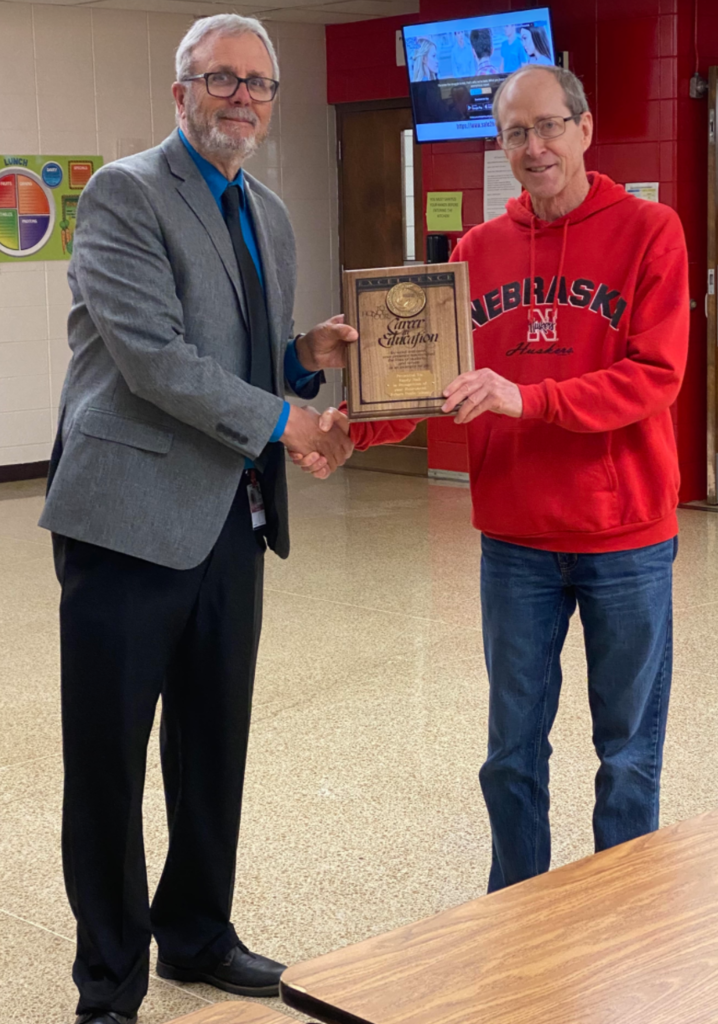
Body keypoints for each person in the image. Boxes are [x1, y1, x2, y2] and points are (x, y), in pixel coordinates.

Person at [295, 66, 689, 895]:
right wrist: (353, 431)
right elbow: (429, 380)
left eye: (548, 127)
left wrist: (528, 396)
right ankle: (515, 912)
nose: (534, 147)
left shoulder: (652, 231)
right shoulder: (475, 252)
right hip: (516, 542)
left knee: (627, 754)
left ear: (585, 128)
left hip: (626, 539)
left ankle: (625, 916)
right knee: (510, 754)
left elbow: (655, 376)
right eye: (515, 133)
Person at [40, 14, 356, 1024]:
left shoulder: (269, 211)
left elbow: (242, 355)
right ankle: (108, 982)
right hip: (126, 520)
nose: (242, 97)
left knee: (212, 743)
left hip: (233, 514)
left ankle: (198, 935)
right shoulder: (125, 192)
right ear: (181, 92)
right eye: (221, 78)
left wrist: (303, 356)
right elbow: (156, 360)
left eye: (258, 83)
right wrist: (287, 419)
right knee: (109, 759)